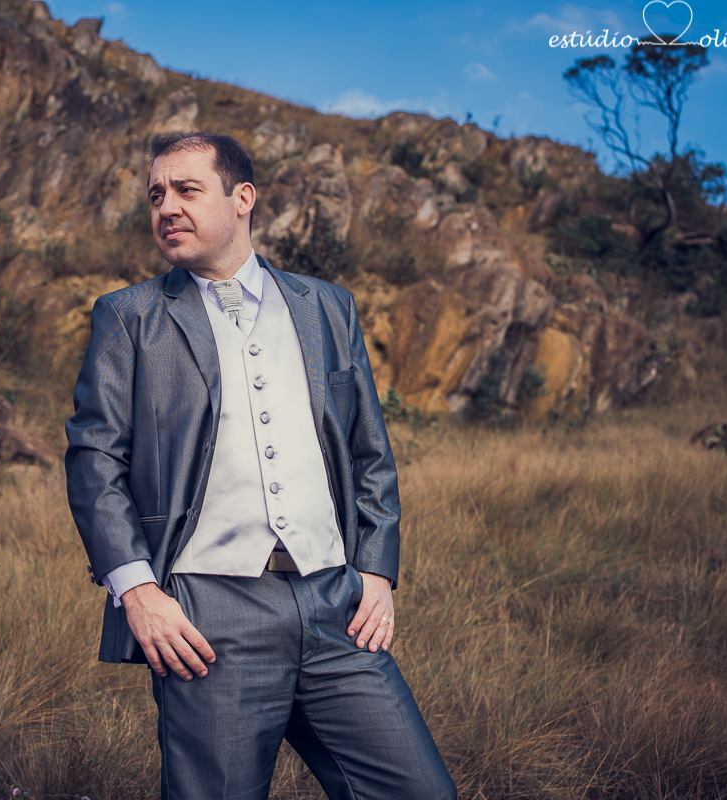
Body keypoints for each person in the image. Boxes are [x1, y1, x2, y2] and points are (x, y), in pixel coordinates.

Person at [65, 132, 456, 799]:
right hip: (208, 614)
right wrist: (138, 591)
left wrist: (377, 571)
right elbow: (94, 459)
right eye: (156, 195)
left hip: (337, 602)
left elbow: (369, 451)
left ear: (241, 198)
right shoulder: (128, 316)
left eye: (187, 190)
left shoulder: (327, 306)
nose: (166, 207)